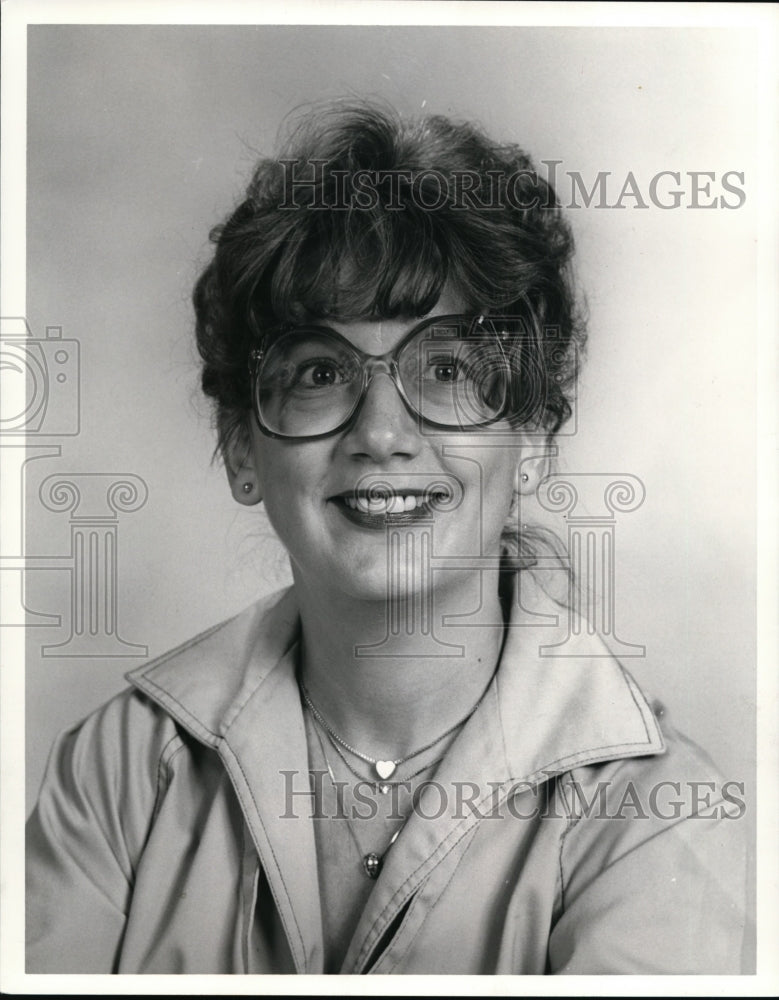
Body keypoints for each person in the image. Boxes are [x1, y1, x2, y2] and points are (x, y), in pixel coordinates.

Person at [26, 101, 748, 975]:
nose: (380, 433)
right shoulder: (118, 770)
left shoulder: (663, 812)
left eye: (445, 368)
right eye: (320, 372)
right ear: (240, 449)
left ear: (533, 440)